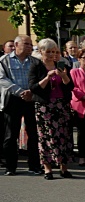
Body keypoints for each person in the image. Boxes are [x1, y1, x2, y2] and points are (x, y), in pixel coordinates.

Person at [28, 39, 75, 179]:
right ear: (41, 51)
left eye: (54, 52)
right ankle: (47, 169)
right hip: (45, 106)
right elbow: (34, 87)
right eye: (48, 51)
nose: (51, 54)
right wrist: (47, 78)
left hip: (62, 105)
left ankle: (64, 168)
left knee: (64, 135)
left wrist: (64, 76)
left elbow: (70, 86)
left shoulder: (61, 65)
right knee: (47, 136)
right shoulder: (36, 66)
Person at [1, 35, 43, 176]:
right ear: (16, 45)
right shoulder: (4, 61)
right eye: (26, 44)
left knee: (33, 133)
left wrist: (31, 92)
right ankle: (10, 167)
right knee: (11, 135)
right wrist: (20, 92)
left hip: (31, 99)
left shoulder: (36, 61)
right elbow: (2, 79)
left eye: (31, 44)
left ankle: (34, 165)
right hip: (12, 99)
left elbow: (40, 79)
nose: (30, 46)